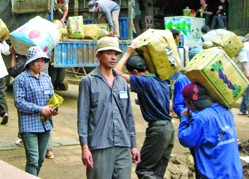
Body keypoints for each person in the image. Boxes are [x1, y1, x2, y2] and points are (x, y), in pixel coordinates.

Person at [78, 36, 140, 179]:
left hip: (123, 145)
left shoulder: (122, 83)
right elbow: (83, 117)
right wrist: (85, 147)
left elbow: (128, 116)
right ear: (99, 55)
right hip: (100, 146)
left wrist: (133, 145)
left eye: (115, 54)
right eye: (109, 53)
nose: (113, 57)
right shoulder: (88, 82)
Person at [115, 45, 174, 179]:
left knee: (143, 169)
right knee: (157, 171)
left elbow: (116, 72)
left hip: (158, 130)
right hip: (169, 129)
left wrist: (128, 53)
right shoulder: (162, 81)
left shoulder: (143, 81)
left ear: (135, 72)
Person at [178, 83, 243, 178]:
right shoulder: (226, 110)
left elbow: (185, 139)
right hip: (234, 173)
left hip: (215, 174)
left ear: (190, 103)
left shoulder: (201, 119)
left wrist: (184, 119)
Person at [13, 46, 59, 176]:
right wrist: (40, 109)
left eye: (43, 61)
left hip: (45, 125)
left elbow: (51, 97)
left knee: (40, 159)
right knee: (33, 160)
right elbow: (19, 102)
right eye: (37, 61)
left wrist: (54, 108)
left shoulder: (46, 78)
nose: (40, 64)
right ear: (30, 62)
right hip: (29, 126)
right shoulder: (21, 79)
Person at [236, 34, 249, 115]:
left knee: (247, 91)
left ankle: (242, 109)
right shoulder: (244, 47)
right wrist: (246, 72)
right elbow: (243, 61)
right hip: (246, 72)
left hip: (246, 71)